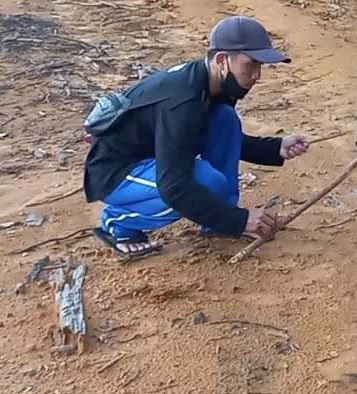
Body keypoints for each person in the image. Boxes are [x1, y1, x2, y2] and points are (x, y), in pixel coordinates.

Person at [82, 15, 310, 260]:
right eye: (251, 64)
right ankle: (119, 223)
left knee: (224, 119)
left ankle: (217, 223)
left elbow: (221, 139)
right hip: (115, 173)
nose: (257, 75)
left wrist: (275, 148)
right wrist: (240, 220)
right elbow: (175, 186)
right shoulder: (183, 101)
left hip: (156, 158)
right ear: (222, 60)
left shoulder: (212, 83)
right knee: (204, 182)